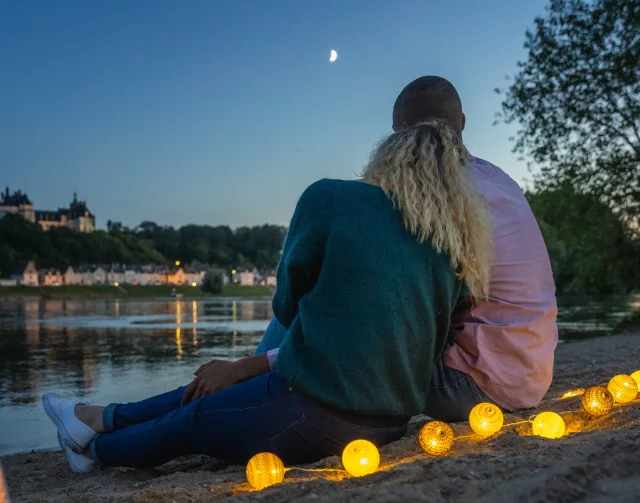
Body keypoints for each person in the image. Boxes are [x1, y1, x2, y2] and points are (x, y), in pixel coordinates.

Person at [43, 114, 493, 473]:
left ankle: (93, 450)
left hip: (318, 418)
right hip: (392, 425)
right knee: (209, 392)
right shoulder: (451, 247)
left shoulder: (332, 200)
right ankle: (96, 418)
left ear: (387, 160)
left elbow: (286, 306)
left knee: (191, 422)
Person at [195, 76, 558, 421]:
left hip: (474, 387)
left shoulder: (431, 194)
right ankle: (248, 383)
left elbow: (363, 329)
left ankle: (245, 391)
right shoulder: (500, 180)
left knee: (329, 315)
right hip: (532, 374)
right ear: (462, 122)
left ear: (398, 133)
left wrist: (251, 364)